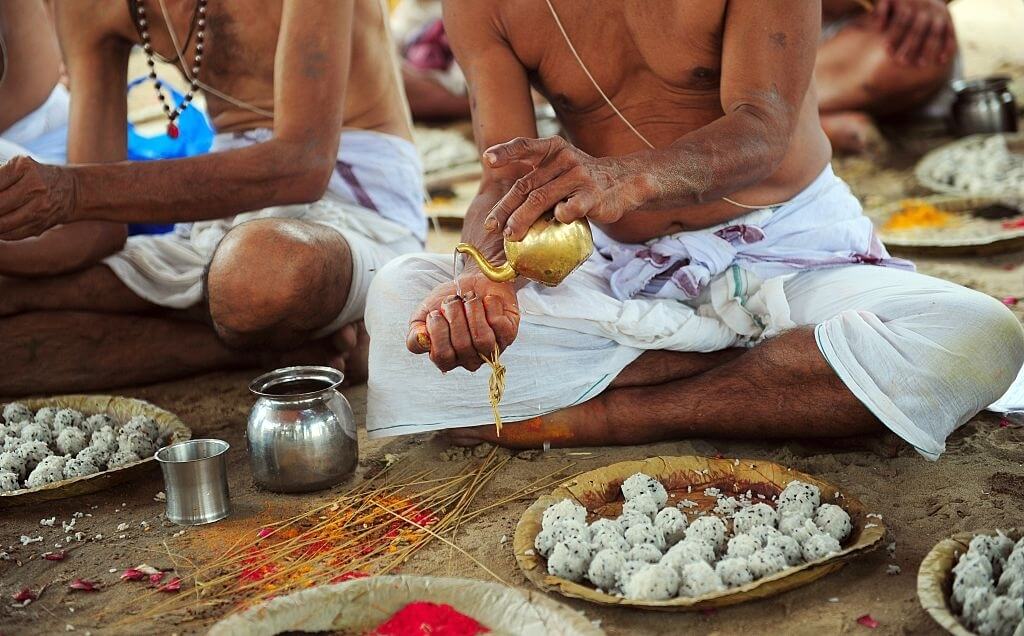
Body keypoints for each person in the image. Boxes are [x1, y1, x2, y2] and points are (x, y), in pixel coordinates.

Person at [364, 0, 1024, 460]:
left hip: (791, 248)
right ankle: (776, 369)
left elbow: (764, 126)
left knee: (982, 335)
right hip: (624, 271)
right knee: (402, 301)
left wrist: (625, 178)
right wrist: (482, 278)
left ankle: (618, 414)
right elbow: (503, 177)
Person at [0, 0, 425, 395]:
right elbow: (94, 231)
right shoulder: (88, 6)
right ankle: (276, 349)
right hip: (221, 223)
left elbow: (302, 165)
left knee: (257, 272)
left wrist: (74, 189)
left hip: (355, 202)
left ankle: (264, 321)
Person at [817, 0, 958, 153]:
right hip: (803, 40)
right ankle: (807, 120)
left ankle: (807, 117)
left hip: (865, 33)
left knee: (925, 46)